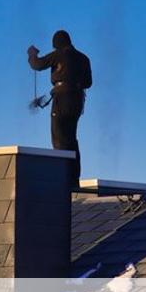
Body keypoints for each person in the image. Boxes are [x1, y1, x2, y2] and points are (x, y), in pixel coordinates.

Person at [28, 30, 92, 187]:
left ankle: (63, 178)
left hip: (61, 100)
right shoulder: (84, 58)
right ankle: (74, 178)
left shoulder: (59, 54)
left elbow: (37, 64)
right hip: (77, 102)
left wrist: (31, 54)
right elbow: (88, 82)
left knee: (59, 139)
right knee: (71, 139)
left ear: (57, 44)